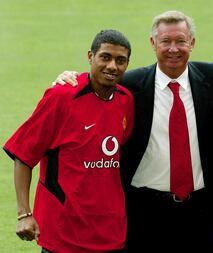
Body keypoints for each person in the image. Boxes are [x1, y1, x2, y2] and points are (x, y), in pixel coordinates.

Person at [53, 11, 213, 253]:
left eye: (181, 41)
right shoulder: (130, 85)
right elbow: (99, 82)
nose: (173, 49)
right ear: (153, 43)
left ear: (193, 43)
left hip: (199, 213)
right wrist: (70, 78)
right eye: (165, 41)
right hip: (142, 212)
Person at [3, 29, 134, 253]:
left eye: (120, 60)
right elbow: (24, 155)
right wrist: (24, 214)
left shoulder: (126, 100)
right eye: (105, 57)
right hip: (64, 235)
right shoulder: (61, 97)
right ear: (90, 57)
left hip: (112, 233)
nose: (112, 66)